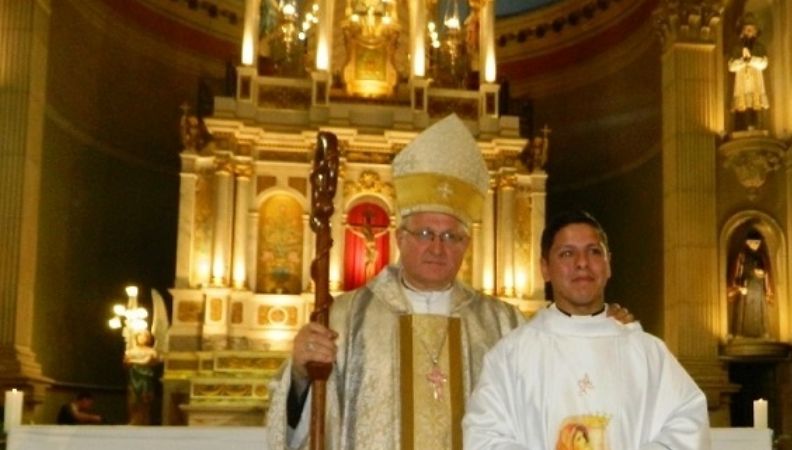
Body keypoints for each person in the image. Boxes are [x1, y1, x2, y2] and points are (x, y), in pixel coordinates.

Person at [265, 116, 634, 449]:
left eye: (451, 237)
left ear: (466, 246)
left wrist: (601, 328)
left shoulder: (502, 324)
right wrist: (300, 373)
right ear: (400, 238)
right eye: (425, 233)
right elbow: (306, 421)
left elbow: (562, 389)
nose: (437, 248)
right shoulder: (346, 319)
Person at [463, 210, 710, 450]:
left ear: (608, 264)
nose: (582, 263)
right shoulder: (511, 355)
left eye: (594, 252)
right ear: (545, 268)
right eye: (567, 253)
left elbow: (688, 422)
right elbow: (484, 436)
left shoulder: (647, 352)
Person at [727, 229, 773, 339]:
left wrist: (762, 273)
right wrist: (739, 287)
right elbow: (736, 273)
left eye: (757, 243)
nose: (755, 245)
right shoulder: (742, 256)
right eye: (753, 242)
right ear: (747, 242)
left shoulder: (762, 256)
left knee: (758, 311)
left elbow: (766, 272)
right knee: (743, 311)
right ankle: (740, 333)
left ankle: (761, 333)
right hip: (746, 288)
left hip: (759, 289)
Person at [728, 13, 769, 131]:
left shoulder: (759, 47)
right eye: (747, 29)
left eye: (751, 29)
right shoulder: (737, 48)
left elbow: (764, 63)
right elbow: (731, 66)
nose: (749, 31)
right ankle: (742, 127)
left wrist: (751, 60)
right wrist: (743, 61)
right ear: (742, 31)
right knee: (742, 106)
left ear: (755, 31)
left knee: (756, 105)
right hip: (742, 83)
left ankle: (756, 126)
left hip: (756, 82)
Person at [124, 330, 161, 425]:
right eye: (140, 336)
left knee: (145, 400)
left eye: (145, 336)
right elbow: (126, 362)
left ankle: (144, 420)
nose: (142, 338)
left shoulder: (152, 352)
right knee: (133, 400)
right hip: (134, 378)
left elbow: (148, 361)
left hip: (145, 379)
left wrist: (133, 361)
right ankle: (133, 419)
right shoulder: (130, 351)